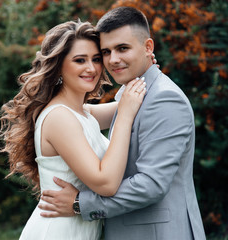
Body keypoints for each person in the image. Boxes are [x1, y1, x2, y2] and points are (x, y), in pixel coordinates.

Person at [38, 6, 206, 240]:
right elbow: (84, 115)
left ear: (148, 47)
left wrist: (79, 203)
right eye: (105, 52)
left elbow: (151, 184)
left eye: (123, 48)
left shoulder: (164, 99)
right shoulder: (129, 98)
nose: (112, 60)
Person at [0, 19, 148, 239]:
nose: (91, 68)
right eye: (80, 60)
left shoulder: (81, 113)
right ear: (59, 65)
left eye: (96, 59)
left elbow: (132, 101)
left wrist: (143, 67)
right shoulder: (59, 117)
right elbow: (106, 183)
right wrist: (125, 116)